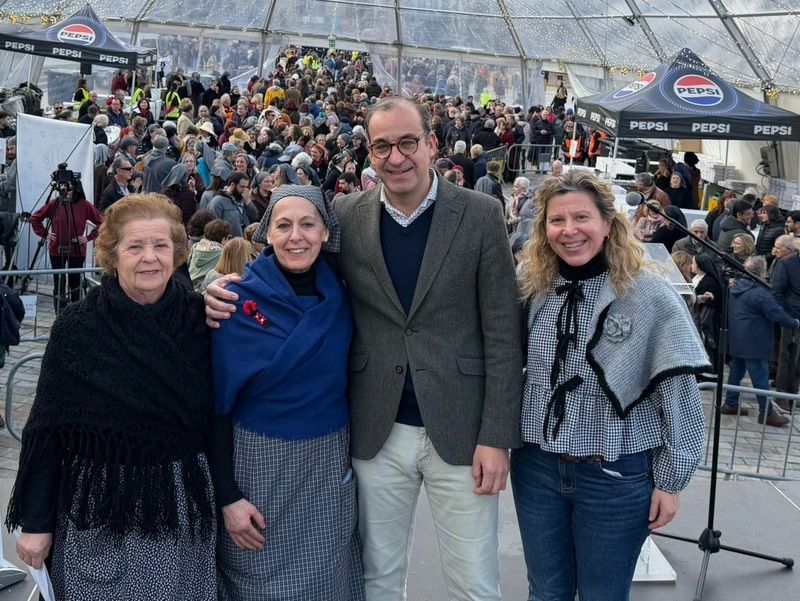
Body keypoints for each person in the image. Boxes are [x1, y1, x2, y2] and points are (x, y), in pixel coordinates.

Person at [205, 96, 522, 601]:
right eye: (382, 146)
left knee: (475, 582)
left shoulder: (480, 215)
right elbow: (288, 263)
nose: (395, 157)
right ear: (368, 153)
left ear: (432, 144)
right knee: (377, 577)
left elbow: (505, 334)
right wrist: (216, 291)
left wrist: (497, 435)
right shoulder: (347, 216)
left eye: (407, 143)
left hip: (463, 429)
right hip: (377, 426)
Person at [7, 194, 217, 600]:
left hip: (179, 502)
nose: (149, 257)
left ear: (177, 252)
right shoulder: (78, 327)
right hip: (98, 506)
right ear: (111, 254)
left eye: (161, 245)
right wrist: (35, 523)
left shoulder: (202, 320)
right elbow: (47, 431)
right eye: (135, 246)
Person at [513, 170, 707, 601]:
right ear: (544, 229)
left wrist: (672, 481)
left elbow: (680, 397)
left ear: (607, 222)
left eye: (581, 217)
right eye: (556, 221)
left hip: (615, 474)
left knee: (604, 595)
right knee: (545, 592)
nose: (569, 231)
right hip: (537, 467)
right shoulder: (533, 286)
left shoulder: (650, 294)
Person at [212, 185, 365, 600]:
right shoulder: (231, 299)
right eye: (284, 225)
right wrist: (227, 496)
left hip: (326, 466)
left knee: (326, 584)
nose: (296, 236)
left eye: (307, 224)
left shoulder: (348, 297)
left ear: (326, 233)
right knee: (255, 584)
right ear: (267, 234)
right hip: (256, 468)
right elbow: (215, 408)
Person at [721, 255, 796, 427]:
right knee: (760, 378)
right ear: (762, 273)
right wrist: (794, 322)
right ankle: (767, 412)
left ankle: (730, 403)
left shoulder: (736, 288)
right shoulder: (760, 293)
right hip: (755, 341)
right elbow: (776, 313)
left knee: (736, 371)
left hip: (738, 338)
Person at [29, 179, 104, 310]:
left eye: (68, 189)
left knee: (75, 283)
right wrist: (45, 234)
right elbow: (35, 218)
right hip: (56, 250)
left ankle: (76, 312)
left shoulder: (84, 205)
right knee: (59, 283)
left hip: (76, 250)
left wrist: (88, 237)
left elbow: (102, 223)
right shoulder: (54, 203)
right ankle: (60, 313)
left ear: (76, 189)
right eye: (62, 189)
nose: (65, 192)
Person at [771, 236, 800, 413]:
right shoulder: (787, 263)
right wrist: (787, 317)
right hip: (792, 317)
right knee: (788, 355)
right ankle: (782, 395)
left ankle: (794, 393)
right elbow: (777, 291)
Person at [692, 254, 724, 370]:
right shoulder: (696, 278)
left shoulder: (710, 283)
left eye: (694, 263)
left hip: (707, 321)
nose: (691, 266)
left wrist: (701, 323)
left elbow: (709, 308)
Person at [188, 219, 231, 291]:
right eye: (228, 238)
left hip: (190, 288)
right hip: (207, 291)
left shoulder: (195, 247)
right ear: (224, 239)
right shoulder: (223, 254)